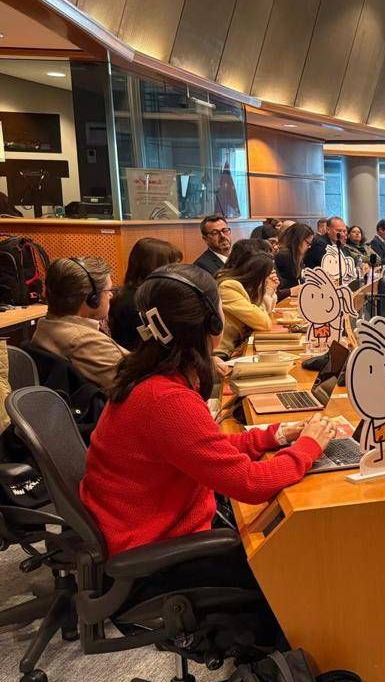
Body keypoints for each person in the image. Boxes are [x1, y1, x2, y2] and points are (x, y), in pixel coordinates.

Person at [77, 264, 337, 628]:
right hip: (158, 562)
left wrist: (275, 436)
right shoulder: (167, 400)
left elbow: (202, 447)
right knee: (306, 567)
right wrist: (308, 447)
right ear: (213, 323)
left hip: (149, 534)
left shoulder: (149, 378)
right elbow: (250, 484)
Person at [31, 257, 127, 392]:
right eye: (108, 290)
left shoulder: (46, 326)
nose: (111, 295)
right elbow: (139, 383)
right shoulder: (84, 342)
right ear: (92, 299)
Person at [109, 238, 183, 350]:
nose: (179, 272)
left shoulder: (151, 295)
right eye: (174, 266)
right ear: (156, 267)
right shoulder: (134, 302)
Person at [215, 248, 278, 357]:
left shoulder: (245, 287)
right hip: (223, 353)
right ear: (257, 275)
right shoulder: (228, 286)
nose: (269, 279)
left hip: (238, 348)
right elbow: (264, 322)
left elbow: (267, 314)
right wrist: (267, 291)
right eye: (268, 275)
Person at [274, 222, 313, 297]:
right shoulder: (284, 256)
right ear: (298, 240)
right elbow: (290, 284)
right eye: (308, 243)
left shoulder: (295, 255)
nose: (309, 247)